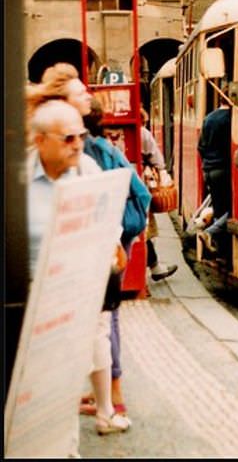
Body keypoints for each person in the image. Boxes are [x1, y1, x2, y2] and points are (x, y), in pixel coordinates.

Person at [27, 100, 131, 443]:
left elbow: (108, 215)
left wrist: (112, 248)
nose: (78, 144)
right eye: (68, 138)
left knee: (64, 391)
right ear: (40, 140)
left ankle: (70, 443)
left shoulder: (87, 169)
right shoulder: (18, 179)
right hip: (31, 300)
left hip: (77, 294)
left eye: (81, 136)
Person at [82, 98, 151, 416]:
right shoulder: (101, 148)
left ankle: (113, 391)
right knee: (103, 315)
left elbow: (141, 191)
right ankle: (105, 390)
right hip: (113, 239)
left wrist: (120, 230)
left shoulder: (98, 151)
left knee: (105, 314)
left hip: (110, 241)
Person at [139, 107, 178, 281]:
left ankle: (154, 267)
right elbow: (158, 160)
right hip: (137, 187)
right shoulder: (143, 133)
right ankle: (154, 268)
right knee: (143, 230)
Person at [197, 92, 232, 254]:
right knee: (232, 210)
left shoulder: (208, 118)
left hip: (208, 169)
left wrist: (207, 163)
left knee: (218, 208)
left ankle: (218, 248)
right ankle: (210, 233)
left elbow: (200, 147)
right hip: (223, 169)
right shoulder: (230, 120)